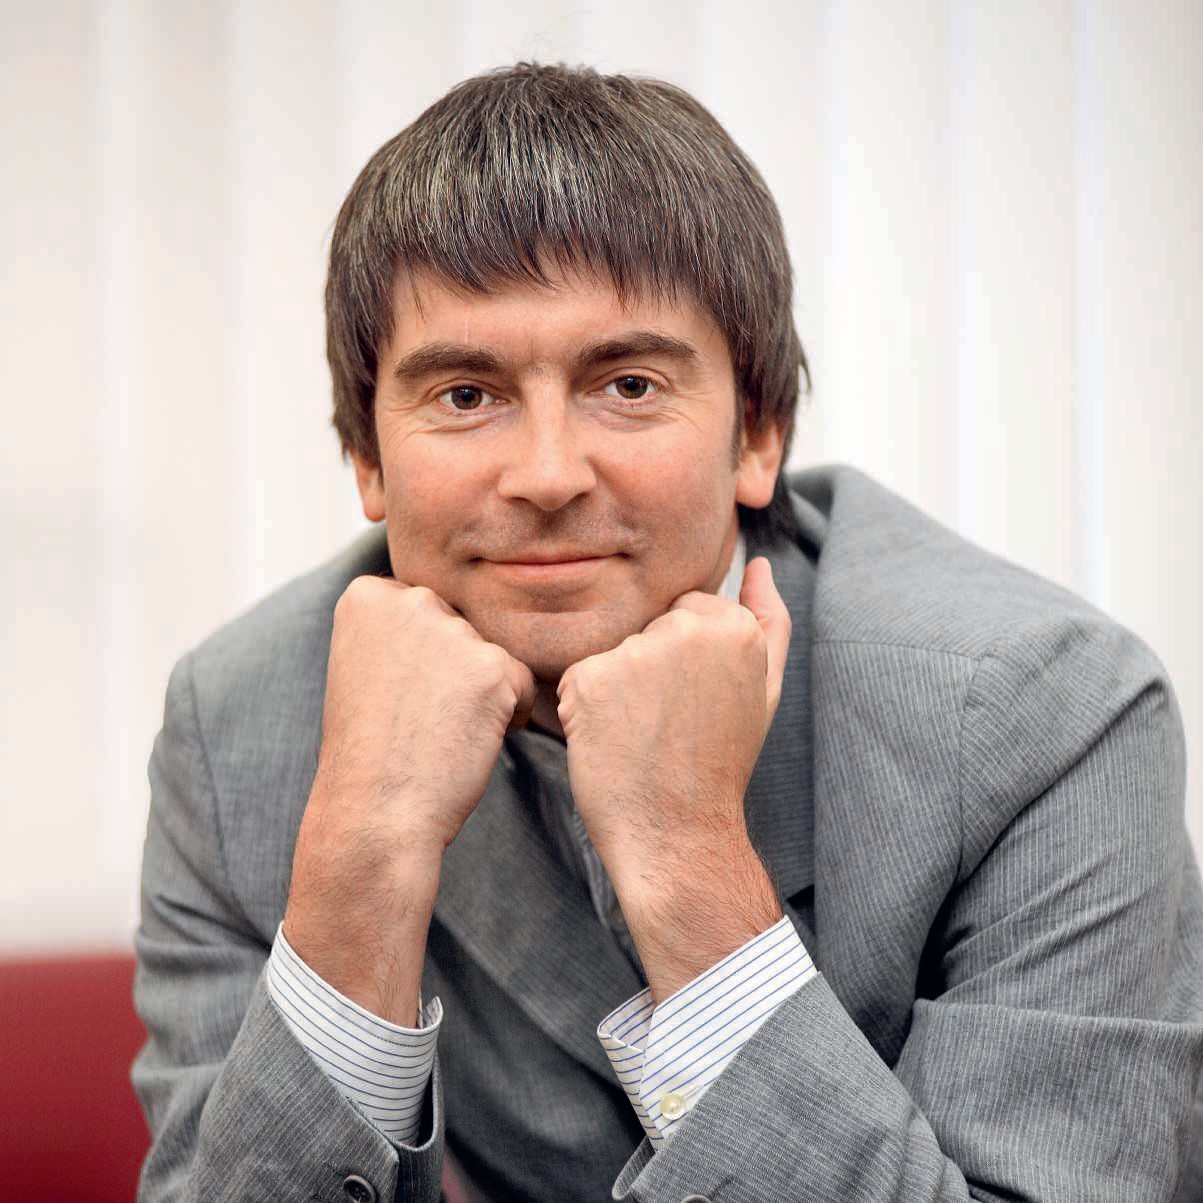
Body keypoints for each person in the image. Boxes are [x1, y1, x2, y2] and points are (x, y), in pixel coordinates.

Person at [132, 62, 1203, 1202]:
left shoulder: (1046, 712)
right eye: (466, 396)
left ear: (759, 433)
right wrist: (363, 854)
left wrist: (688, 862)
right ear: (366, 457)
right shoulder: (236, 730)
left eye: (630, 385)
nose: (547, 474)